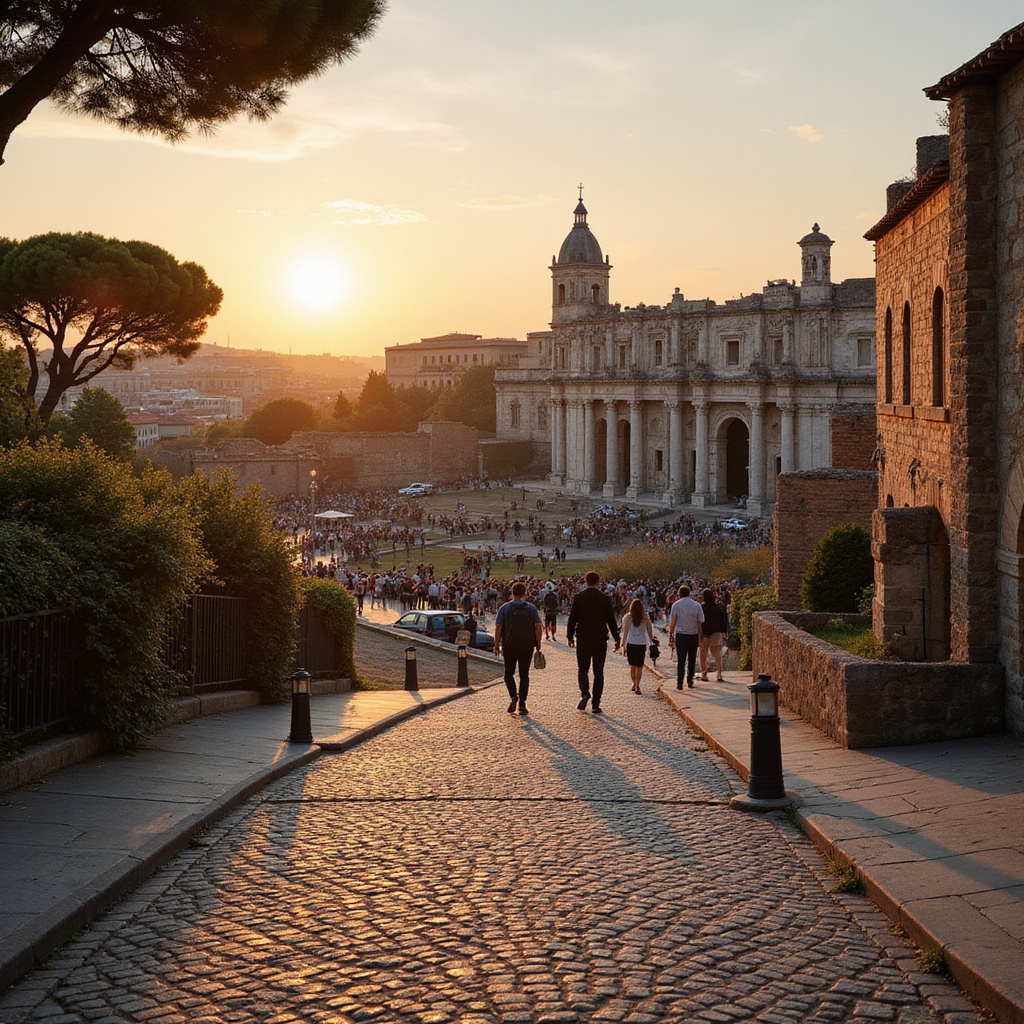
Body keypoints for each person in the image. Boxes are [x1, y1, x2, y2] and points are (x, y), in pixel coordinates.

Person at [566, 570, 621, 713]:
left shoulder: (579, 597)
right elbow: (611, 620)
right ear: (598, 582)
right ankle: (596, 704)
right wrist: (617, 637)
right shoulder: (604, 599)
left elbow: (573, 618)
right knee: (599, 672)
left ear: (586, 581)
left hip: (583, 638)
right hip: (600, 638)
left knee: (583, 670)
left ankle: (585, 693)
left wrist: (569, 635)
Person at [493, 581, 542, 716]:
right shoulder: (531, 608)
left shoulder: (505, 608)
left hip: (509, 645)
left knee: (509, 673)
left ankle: (513, 696)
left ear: (512, 593)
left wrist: (496, 643)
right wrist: (538, 643)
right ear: (525, 593)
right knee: (524, 674)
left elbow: (499, 627)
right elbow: (538, 625)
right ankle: (522, 704)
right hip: (527, 645)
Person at [668, 584, 704, 689]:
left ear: (679, 594)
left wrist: (671, 635)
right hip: (693, 634)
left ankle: (679, 683)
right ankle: (690, 680)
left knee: (681, 660)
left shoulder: (676, 605)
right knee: (692, 659)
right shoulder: (696, 605)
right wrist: (700, 636)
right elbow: (700, 621)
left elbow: (673, 622)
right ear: (689, 593)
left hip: (680, 635)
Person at [620, 597, 655, 694]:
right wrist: (653, 640)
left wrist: (623, 643)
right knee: (640, 666)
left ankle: (633, 683)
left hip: (631, 643)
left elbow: (625, 631)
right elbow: (649, 632)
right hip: (641, 644)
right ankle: (637, 684)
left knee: (632, 666)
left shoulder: (628, 617)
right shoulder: (645, 618)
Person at [698, 587, 729, 681]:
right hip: (716, 632)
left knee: (703, 653)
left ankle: (704, 674)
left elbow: (699, 621)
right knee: (717, 654)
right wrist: (724, 631)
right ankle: (719, 673)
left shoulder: (701, 608)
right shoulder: (718, 608)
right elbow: (723, 620)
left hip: (705, 634)